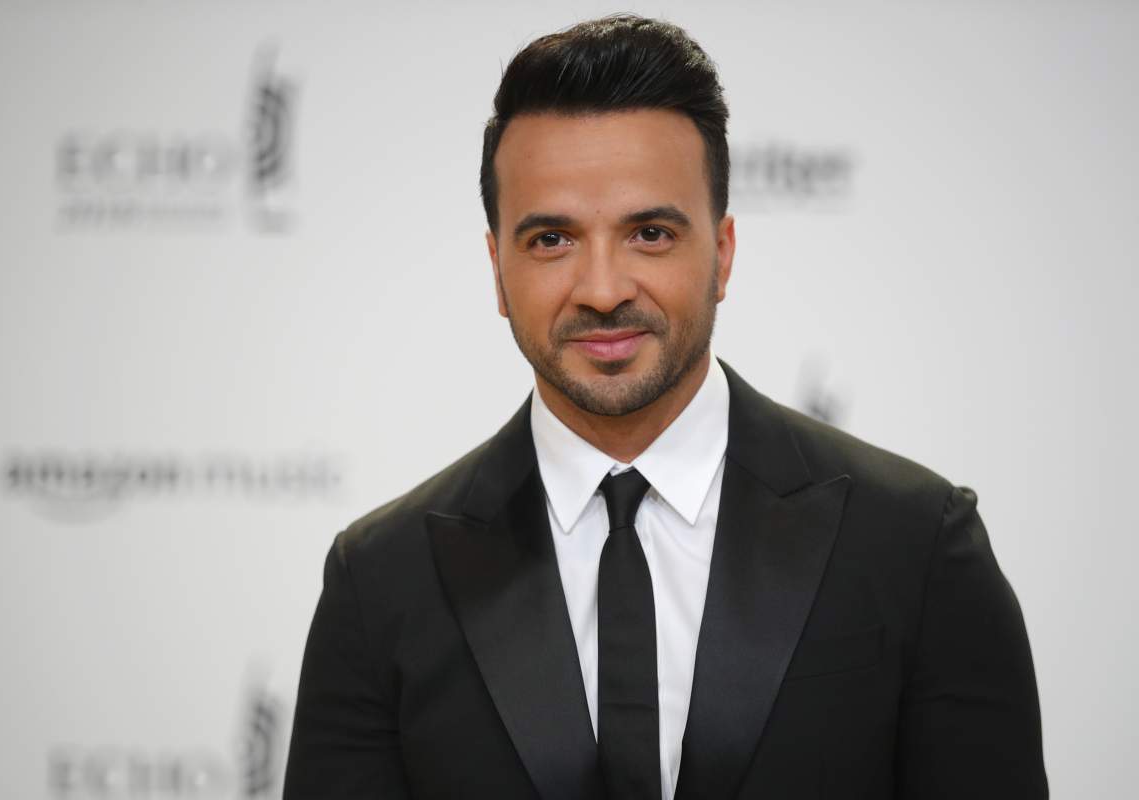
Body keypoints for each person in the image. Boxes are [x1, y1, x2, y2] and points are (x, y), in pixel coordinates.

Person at [283, 14, 1047, 800]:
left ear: (723, 254)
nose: (602, 288)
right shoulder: (380, 581)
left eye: (649, 233)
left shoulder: (916, 545)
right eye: (551, 240)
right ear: (497, 268)